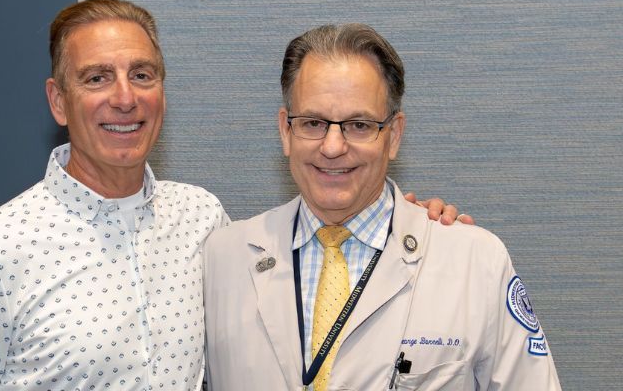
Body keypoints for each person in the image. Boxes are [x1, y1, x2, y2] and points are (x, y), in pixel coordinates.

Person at [0, 0, 469, 391]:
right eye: (95, 78)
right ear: (58, 102)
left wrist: (407, 221)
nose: (124, 98)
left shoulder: (204, 221)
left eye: (142, 74)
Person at [203, 23, 561, 390]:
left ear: (394, 135)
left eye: (359, 125)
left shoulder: (476, 261)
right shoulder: (220, 259)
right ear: (285, 130)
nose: (332, 147)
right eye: (313, 122)